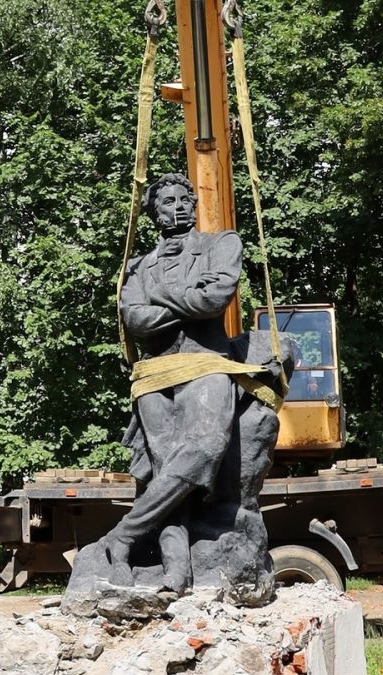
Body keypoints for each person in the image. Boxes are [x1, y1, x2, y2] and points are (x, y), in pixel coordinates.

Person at [102, 172, 243, 589]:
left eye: (186, 199)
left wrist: (161, 298)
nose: (179, 206)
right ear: (154, 213)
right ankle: (177, 570)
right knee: (166, 473)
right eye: (168, 202)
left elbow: (216, 298)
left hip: (207, 363)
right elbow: (134, 318)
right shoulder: (140, 264)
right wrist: (189, 300)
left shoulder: (222, 244)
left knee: (202, 449)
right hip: (153, 374)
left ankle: (123, 535)